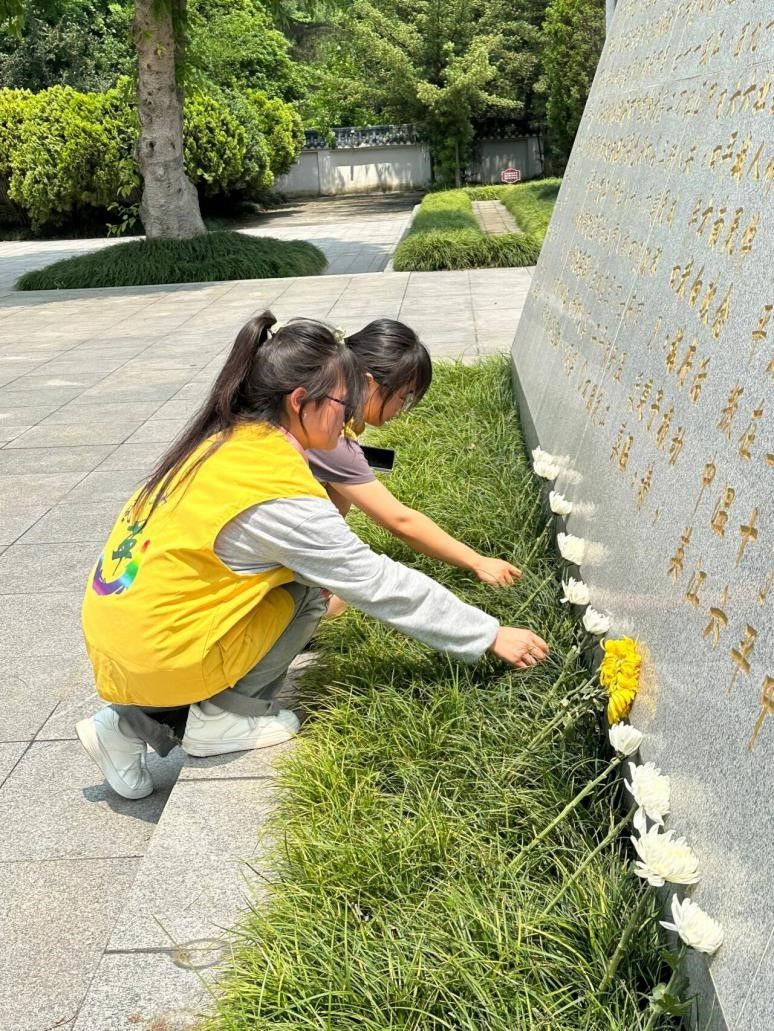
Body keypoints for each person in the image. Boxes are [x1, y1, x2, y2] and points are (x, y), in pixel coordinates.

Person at [76, 312, 549, 801]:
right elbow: (376, 581)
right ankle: (225, 718)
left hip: (125, 640)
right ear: (300, 401)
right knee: (308, 594)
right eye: (344, 402)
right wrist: (489, 634)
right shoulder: (274, 488)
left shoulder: (226, 442)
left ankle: (125, 725)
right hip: (158, 652)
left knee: (293, 580)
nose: (350, 415)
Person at [307, 319, 521, 619]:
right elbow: (400, 521)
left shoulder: (317, 403)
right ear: (369, 383)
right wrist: (478, 562)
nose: (402, 410)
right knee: (337, 603)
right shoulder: (328, 435)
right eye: (403, 397)